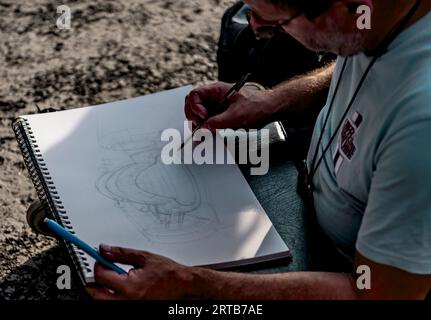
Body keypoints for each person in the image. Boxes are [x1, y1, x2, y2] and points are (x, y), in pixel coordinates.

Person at [87, 0, 431, 299]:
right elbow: (353, 56)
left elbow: (379, 294)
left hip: (347, 269)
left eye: (275, 22)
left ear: (354, 8)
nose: (253, 24)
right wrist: (270, 101)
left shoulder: (420, 129)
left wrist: (192, 286)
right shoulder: (386, 17)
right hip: (306, 193)